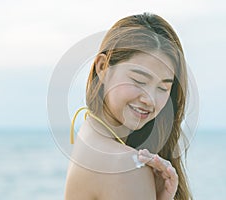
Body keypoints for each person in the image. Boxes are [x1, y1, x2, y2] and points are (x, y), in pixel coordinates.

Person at [65, 12, 193, 200]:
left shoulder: (89, 136)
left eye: (163, 87)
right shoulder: (126, 166)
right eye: (139, 80)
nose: (150, 100)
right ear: (102, 67)